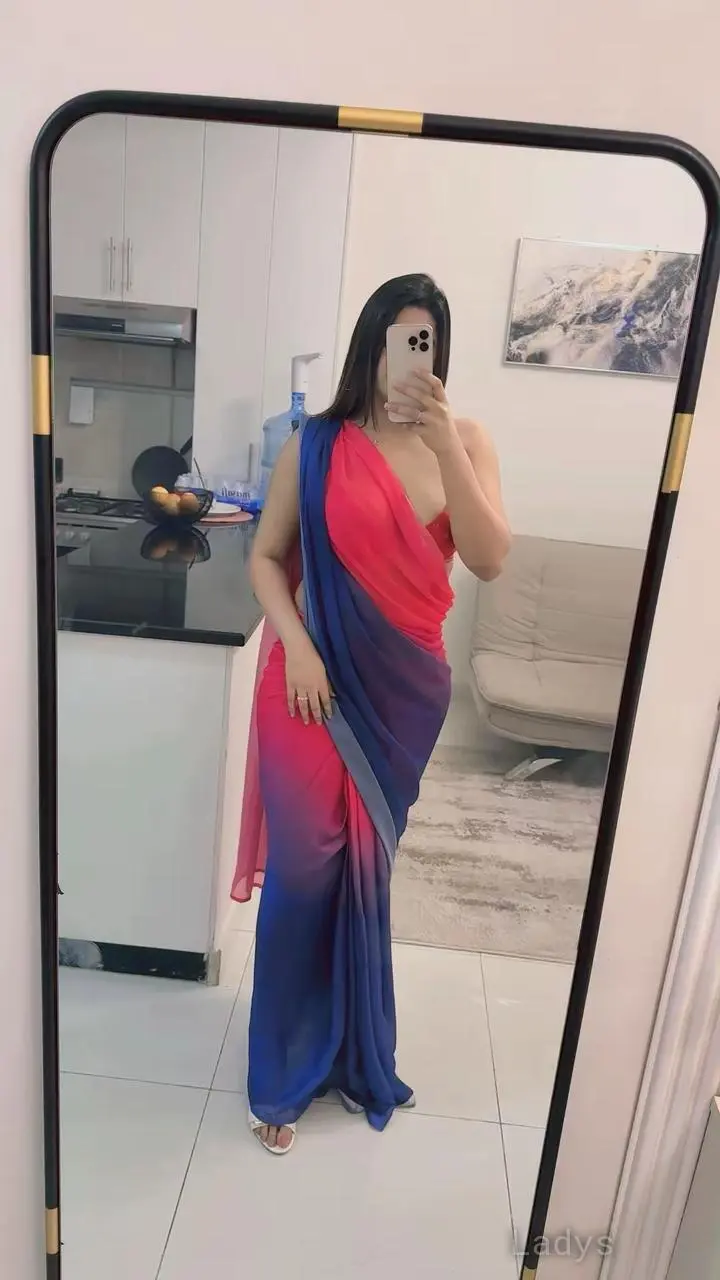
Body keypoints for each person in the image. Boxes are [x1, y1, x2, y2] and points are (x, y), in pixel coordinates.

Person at [232, 273, 511, 1153]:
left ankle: (351, 1051)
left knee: (363, 871)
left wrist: (446, 444)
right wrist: (298, 644)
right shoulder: (315, 444)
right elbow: (266, 558)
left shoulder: (465, 440)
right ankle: (280, 1075)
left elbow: (490, 558)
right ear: (372, 344)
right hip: (307, 685)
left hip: (402, 696)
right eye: (399, 339)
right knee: (305, 874)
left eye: (426, 342)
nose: (410, 358)